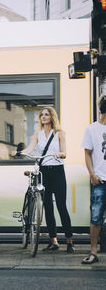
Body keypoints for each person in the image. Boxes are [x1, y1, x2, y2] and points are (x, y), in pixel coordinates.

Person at [12, 107, 74, 253]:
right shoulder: (37, 134)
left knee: (61, 206)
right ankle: (54, 241)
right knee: (47, 207)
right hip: (44, 172)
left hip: (57, 171)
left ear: (52, 117)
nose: (44, 117)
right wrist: (19, 153)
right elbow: (30, 149)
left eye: (47, 115)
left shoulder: (59, 133)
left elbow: (65, 152)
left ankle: (70, 241)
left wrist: (60, 154)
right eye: (42, 115)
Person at [82, 94, 106, 264]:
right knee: (96, 217)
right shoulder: (92, 129)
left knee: (96, 217)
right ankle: (93, 252)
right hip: (100, 180)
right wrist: (92, 175)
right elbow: (87, 154)